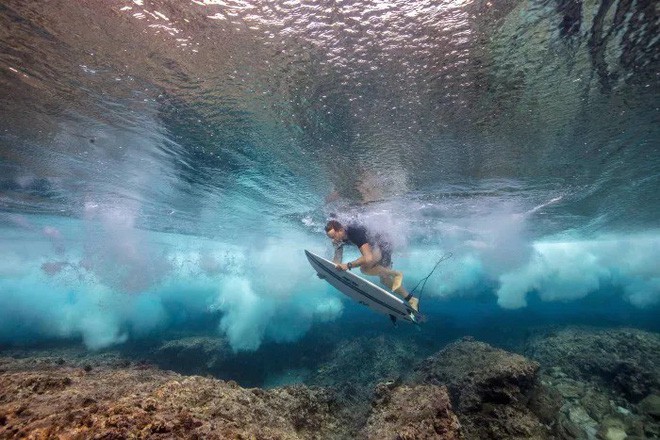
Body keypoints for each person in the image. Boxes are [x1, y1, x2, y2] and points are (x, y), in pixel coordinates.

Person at [324, 219, 419, 311]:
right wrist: (328, 272)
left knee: (364, 269)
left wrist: (348, 265)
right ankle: (411, 299)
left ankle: (396, 273)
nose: (333, 240)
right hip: (376, 247)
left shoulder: (354, 231)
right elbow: (337, 260)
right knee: (385, 280)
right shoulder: (338, 239)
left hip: (384, 244)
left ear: (341, 230)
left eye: (333, 236)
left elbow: (368, 257)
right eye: (331, 238)